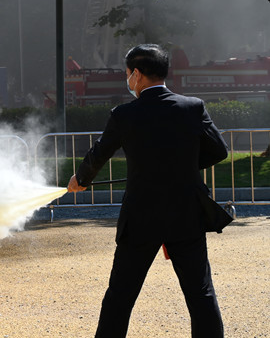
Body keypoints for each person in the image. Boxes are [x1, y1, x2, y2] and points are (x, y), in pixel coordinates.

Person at [67, 44, 230, 338]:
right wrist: (185, 167)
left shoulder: (124, 114)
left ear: (137, 74)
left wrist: (81, 179)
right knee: (200, 294)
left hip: (141, 217)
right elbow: (219, 151)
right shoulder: (193, 107)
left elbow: (100, 153)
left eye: (127, 73)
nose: (127, 79)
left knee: (120, 295)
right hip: (187, 215)